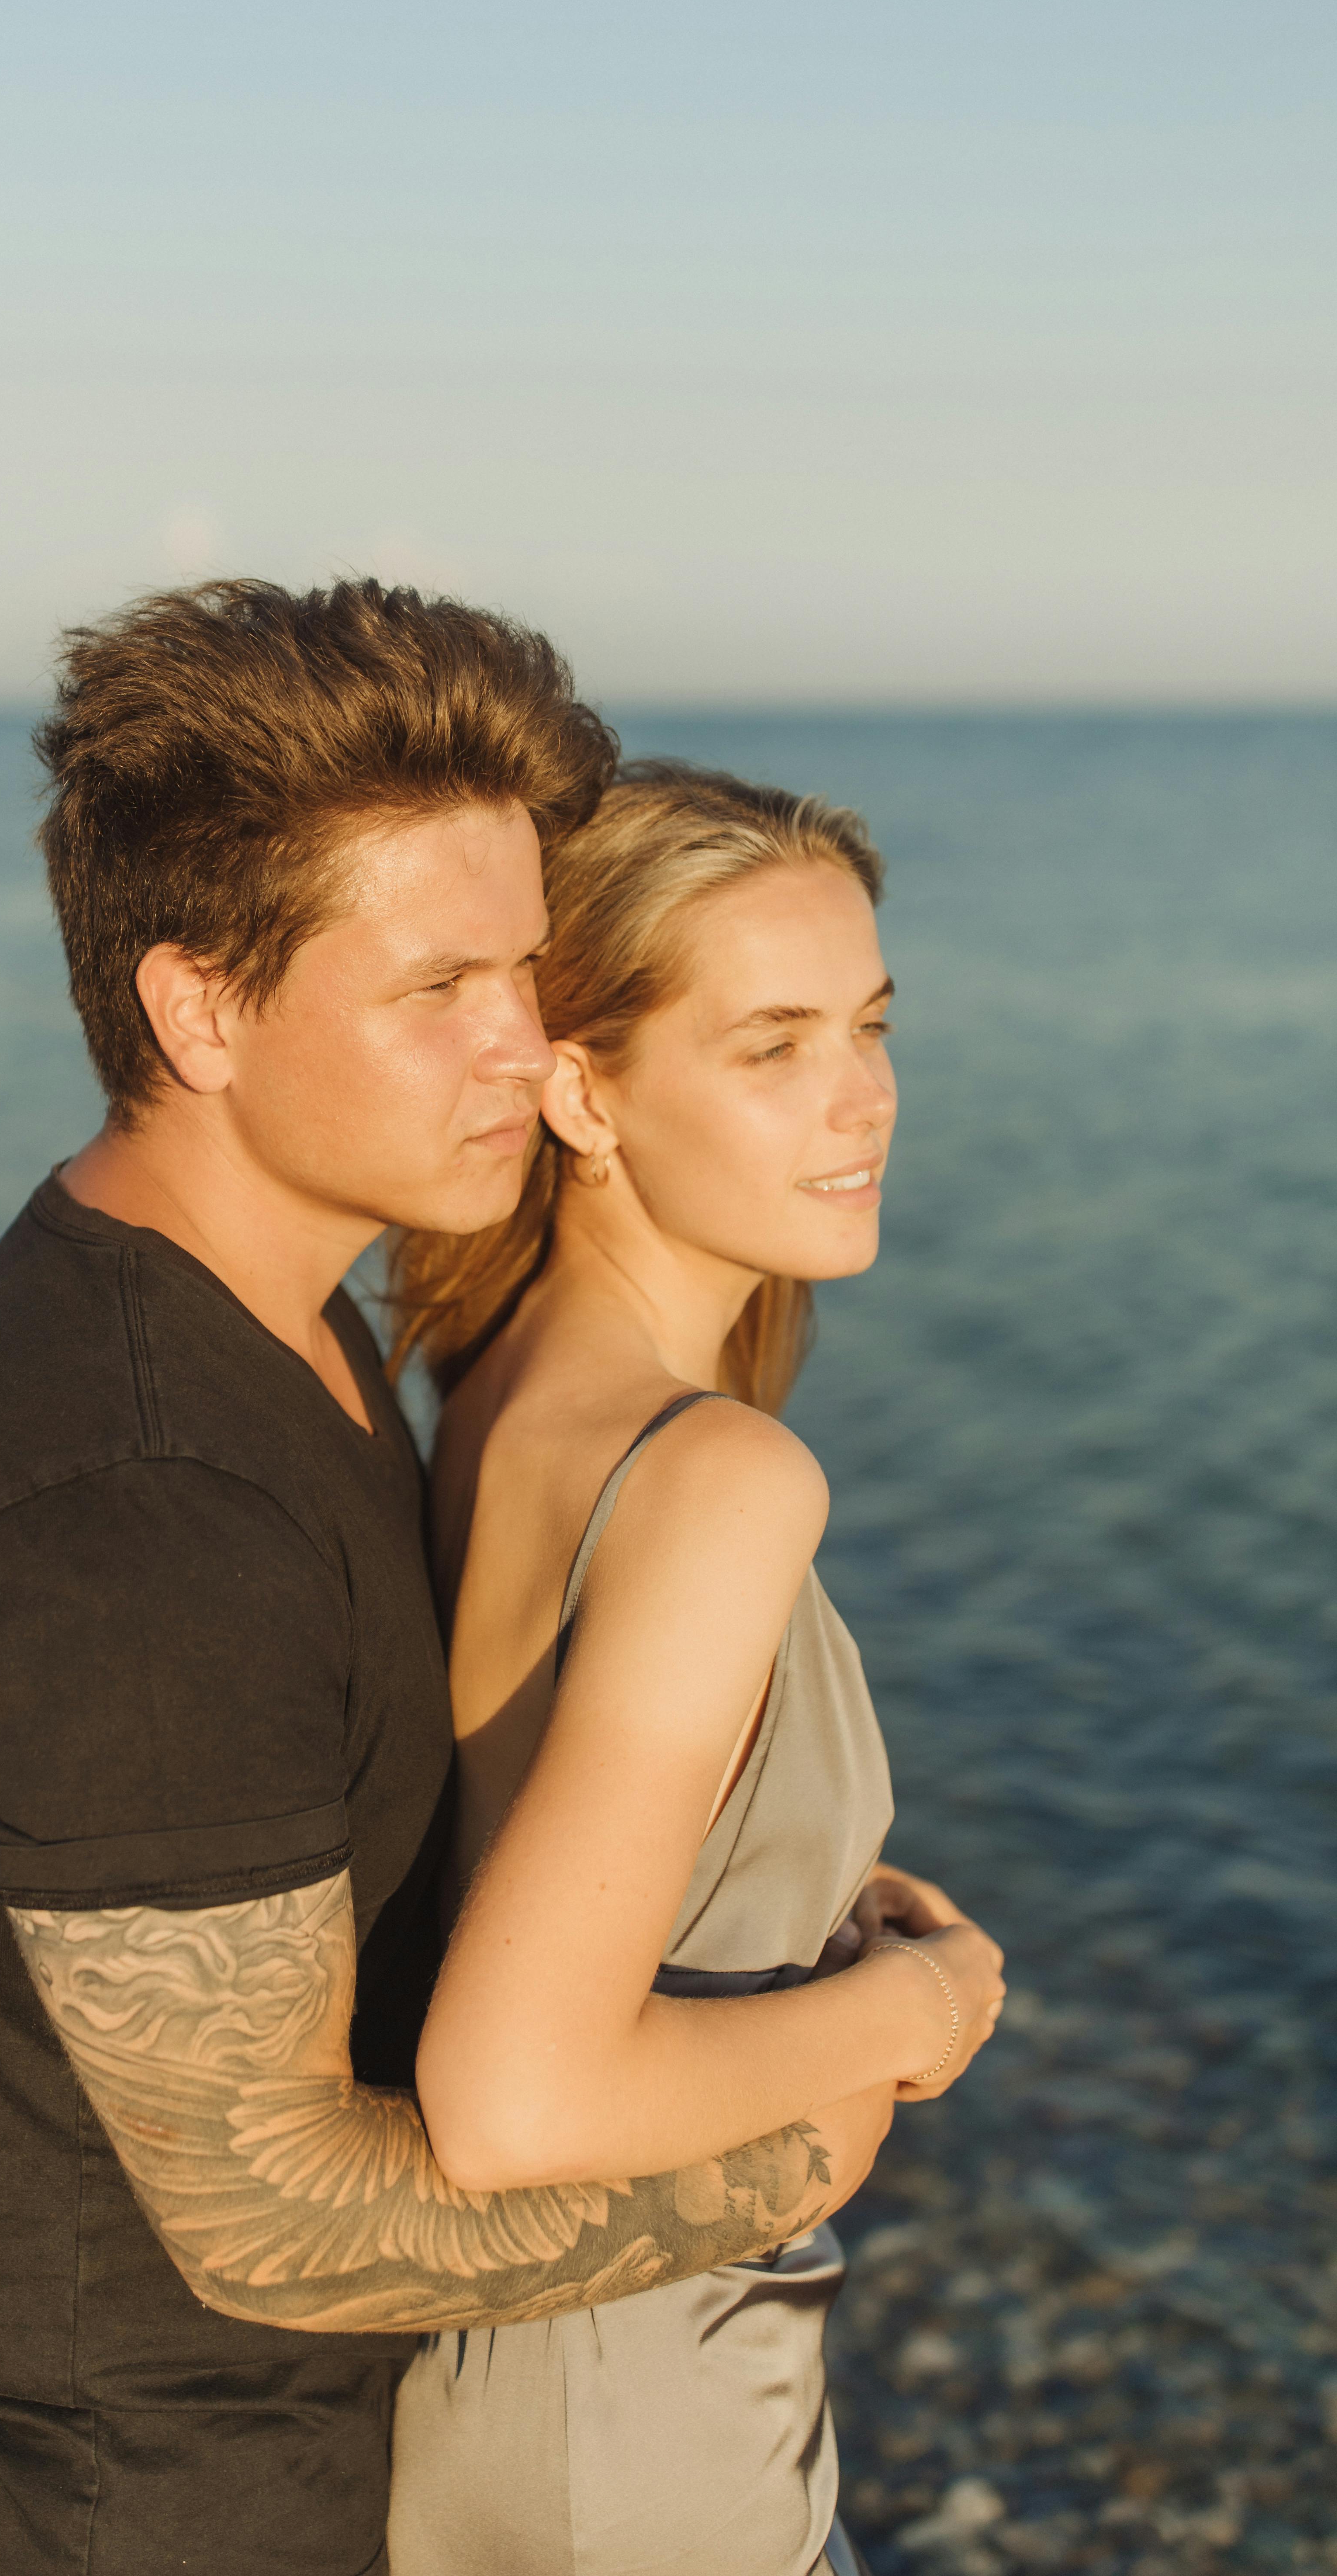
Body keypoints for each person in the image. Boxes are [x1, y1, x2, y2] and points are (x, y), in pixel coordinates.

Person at [0, 588, 918, 2576]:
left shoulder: (295, 1332)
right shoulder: (129, 1505)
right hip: (147, 2512)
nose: (522, 1041)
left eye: (524, 971)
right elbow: (277, 2217)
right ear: (199, 1010)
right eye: (439, 992)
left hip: (329, 2469)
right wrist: (802, 2131)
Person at [386, 761, 1007, 2576]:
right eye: (772, 1046)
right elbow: (509, 2097)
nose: (863, 1098)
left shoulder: (488, 1388)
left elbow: (543, 1846)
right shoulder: (717, 1478)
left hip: (534, 2410)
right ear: (582, 1088)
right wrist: (919, 2010)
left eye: (871, 1026)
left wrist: (813, 1886)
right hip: (634, 2447)